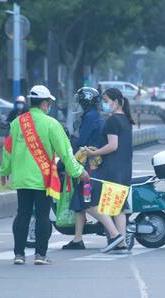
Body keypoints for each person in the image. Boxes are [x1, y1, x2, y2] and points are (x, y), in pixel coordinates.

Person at [0, 85, 90, 265]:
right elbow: (66, 152)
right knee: (42, 215)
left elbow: (7, 149)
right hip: (44, 178)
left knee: (23, 214)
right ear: (43, 104)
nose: (49, 106)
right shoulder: (52, 124)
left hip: (22, 178)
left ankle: (19, 254)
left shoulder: (17, 123)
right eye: (48, 103)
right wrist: (79, 171)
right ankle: (40, 255)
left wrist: (4, 171)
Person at [85, 88, 135, 254]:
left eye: (106, 101)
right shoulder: (126, 119)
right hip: (125, 169)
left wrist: (94, 153)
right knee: (119, 207)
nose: (104, 104)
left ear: (116, 101)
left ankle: (115, 236)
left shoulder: (113, 120)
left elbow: (113, 146)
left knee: (91, 204)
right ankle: (121, 245)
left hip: (112, 169)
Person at [62, 87, 107, 250]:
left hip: (89, 165)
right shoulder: (94, 116)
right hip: (88, 162)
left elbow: (82, 141)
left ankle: (113, 231)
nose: (79, 104)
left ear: (85, 101)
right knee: (79, 202)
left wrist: (68, 145)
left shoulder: (90, 118)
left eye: (80, 101)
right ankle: (77, 239)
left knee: (85, 201)